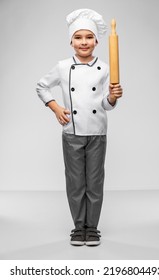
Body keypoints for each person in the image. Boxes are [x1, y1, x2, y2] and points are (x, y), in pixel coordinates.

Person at [36, 8, 123, 246]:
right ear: (71, 41)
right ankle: (78, 227)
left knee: (94, 181)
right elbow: (42, 86)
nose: (83, 42)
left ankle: (92, 228)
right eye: (78, 37)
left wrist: (113, 97)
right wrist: (55, 107)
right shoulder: (63, 67)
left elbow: (104, 104)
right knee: (76, 182)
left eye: (88, 37)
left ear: (96, 40)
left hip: (97, 132)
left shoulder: (105, 68)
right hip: (71, 132)